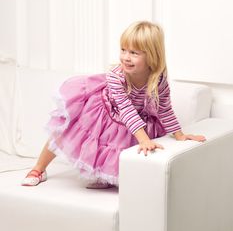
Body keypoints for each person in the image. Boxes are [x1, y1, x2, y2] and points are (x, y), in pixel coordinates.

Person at [21, 21, 206, 188]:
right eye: (123, 50)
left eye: (134, 53)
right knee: (67, 131)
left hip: (133, 120)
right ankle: (39, 168)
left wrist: (180, 135)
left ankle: (103, 177)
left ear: (152, 56)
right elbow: (125, 109)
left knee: (116, 148)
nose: (126, 57)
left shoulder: (159, 79)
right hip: (105, 110)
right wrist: (143, 139)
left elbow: (164, 109)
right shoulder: (116, 75)